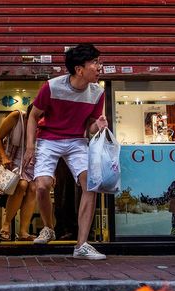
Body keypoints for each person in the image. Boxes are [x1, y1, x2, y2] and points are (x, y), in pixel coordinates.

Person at [23, 43, 108, 260]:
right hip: (49, 139)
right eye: (95, 63)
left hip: (76, 141)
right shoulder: (52, 87)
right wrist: (30, 147)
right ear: (80, 69)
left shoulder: (98, 92)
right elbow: (33, 116)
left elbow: (89, 127)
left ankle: (82, 245)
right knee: (42, 185)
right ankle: (49, 228)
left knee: (90, 183)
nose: (100, 67)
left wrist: (97, 125)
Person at [0, 105, 37, 241]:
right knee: (22, 185)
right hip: (12, 159)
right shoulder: (16, 117)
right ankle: (6, 226)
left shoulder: (43, 122)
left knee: (33, 188)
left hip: (31, 160)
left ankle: (23, 232)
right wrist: (3, 157)